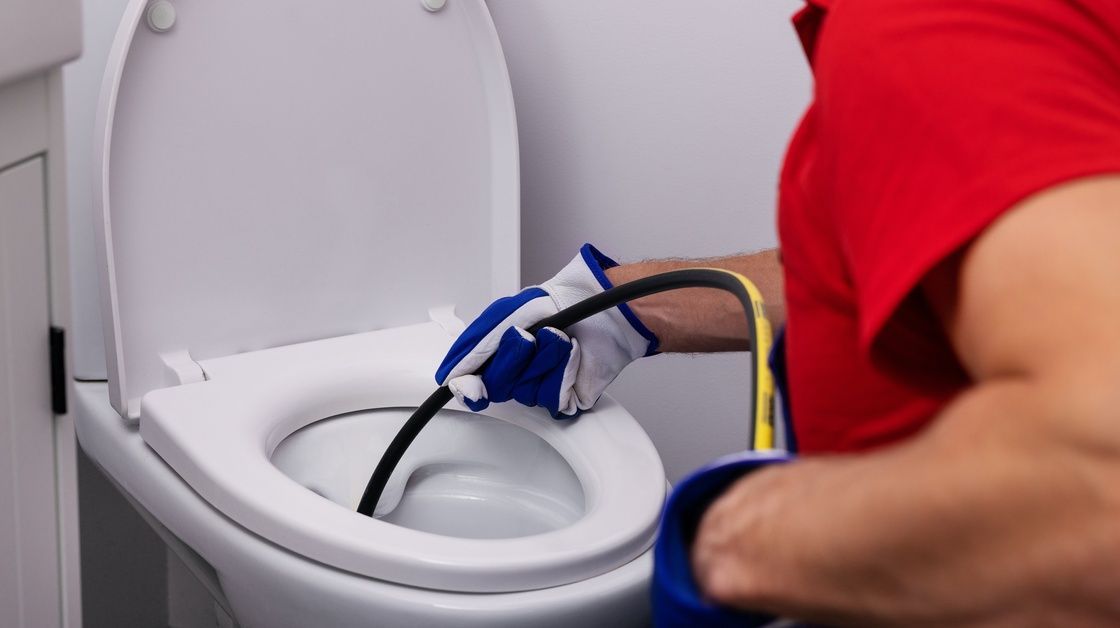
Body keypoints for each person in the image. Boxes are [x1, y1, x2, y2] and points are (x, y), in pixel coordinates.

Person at [436, 0, 1120, 625]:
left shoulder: (930, 27)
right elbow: (913, 256)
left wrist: (743, 546)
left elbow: (1097, 474)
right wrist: (628, 306)